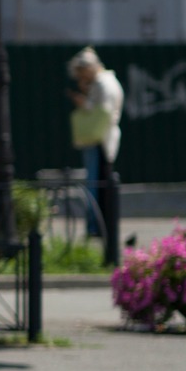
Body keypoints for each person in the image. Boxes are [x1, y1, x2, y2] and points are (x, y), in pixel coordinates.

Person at [67, 46, 124, 236]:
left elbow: (103, 112)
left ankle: (95, 226)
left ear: (88, 68)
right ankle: (98, 226)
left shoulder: (102, 83)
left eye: (82, 73)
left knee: (95, 184)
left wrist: (84, 102)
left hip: (100, 139)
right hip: (103, 138)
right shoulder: (105, 82)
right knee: (99, 182)